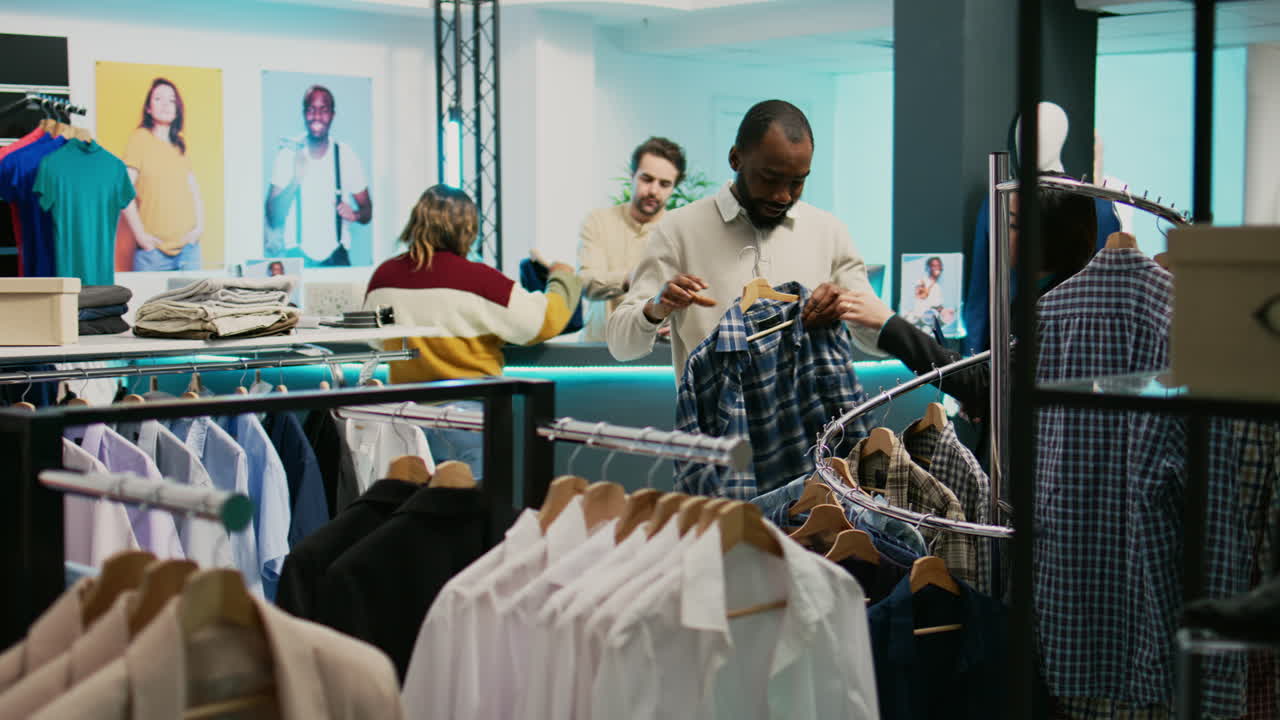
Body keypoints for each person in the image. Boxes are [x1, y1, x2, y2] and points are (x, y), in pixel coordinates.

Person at [607, 100, 883, 377]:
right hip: (710, 420)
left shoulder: (829, 232)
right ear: (735, 159)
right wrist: (656, 308)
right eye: (769, 178)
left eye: (797, 182)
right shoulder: (678, 229)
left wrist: (846, 307)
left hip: (812, 420)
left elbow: (879, 344)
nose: (783, 195)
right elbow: (621, 346)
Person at [363, 185, 582, 480]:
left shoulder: (384, 278)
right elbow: (542, 321)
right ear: (469, 229)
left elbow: (375, 336)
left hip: (405, 419)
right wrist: (562, 278)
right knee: (470, 519)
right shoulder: (479, 281)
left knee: (414, 517)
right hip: (468, 421)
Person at [838, 185, 1100, 418]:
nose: (1000, 235)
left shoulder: (1058, 309)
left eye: (1012, 224)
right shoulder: (1033, 294)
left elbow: (987, 385)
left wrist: (890, 325)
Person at [577, 136, 685, 342]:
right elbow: (585, 284)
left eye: (664, 184)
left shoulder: (680, 231)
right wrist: (631, 277)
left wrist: (680, 323)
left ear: (673, 187)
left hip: (655, 355)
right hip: (598, 352)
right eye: (647, 179)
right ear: (632, 175)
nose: (654, 190)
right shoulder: (598, 222)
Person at [265, 85, 371, 267]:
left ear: (332, 115)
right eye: (311, 110)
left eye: (323, 110)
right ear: (304, 113)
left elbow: (367, 211)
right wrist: (295, 180)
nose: (317, 116)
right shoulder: (288, 153)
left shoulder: (346, 155)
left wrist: (355, 214)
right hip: (297, 256)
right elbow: (272, 216)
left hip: (337, 257)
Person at [121, 77, 204, 272]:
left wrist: (198, 229)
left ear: (177, 108)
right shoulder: (139, 139)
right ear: (148, 108)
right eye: (158, 99)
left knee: (198, 303)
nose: (166, 104)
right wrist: (141, 237)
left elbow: (194, 191)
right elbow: (123, 191)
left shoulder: (179, 146)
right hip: (154, 255)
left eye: (171, 100)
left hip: (189, 251)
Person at [903, 255, 945, 329]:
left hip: (930, 322)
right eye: (933, 266)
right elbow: (921, 296)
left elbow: (936, 305)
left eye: (938, 265)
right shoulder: (922, 281)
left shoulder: (938, 286)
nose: (936, 268)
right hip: (918, 322)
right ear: (928, 267)